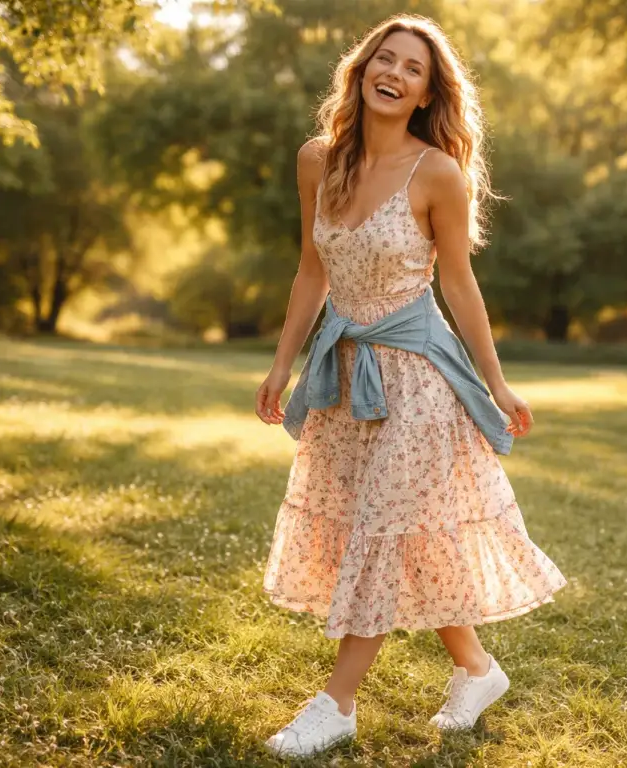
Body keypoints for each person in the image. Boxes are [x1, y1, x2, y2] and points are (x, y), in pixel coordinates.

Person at [253, 13, 567, 758]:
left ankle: (336, 704)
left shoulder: (438, 174)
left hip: (420, 384)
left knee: (386, 531)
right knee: (407, 538)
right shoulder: (316, 160)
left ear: (428, 92)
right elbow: (310, 270)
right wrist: (281, 364)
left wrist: (498, 384)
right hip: (344, 377)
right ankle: (477, 668)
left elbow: (460, 286)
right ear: (360, 70)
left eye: (413, 68)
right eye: (383, 59)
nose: (394, 73)